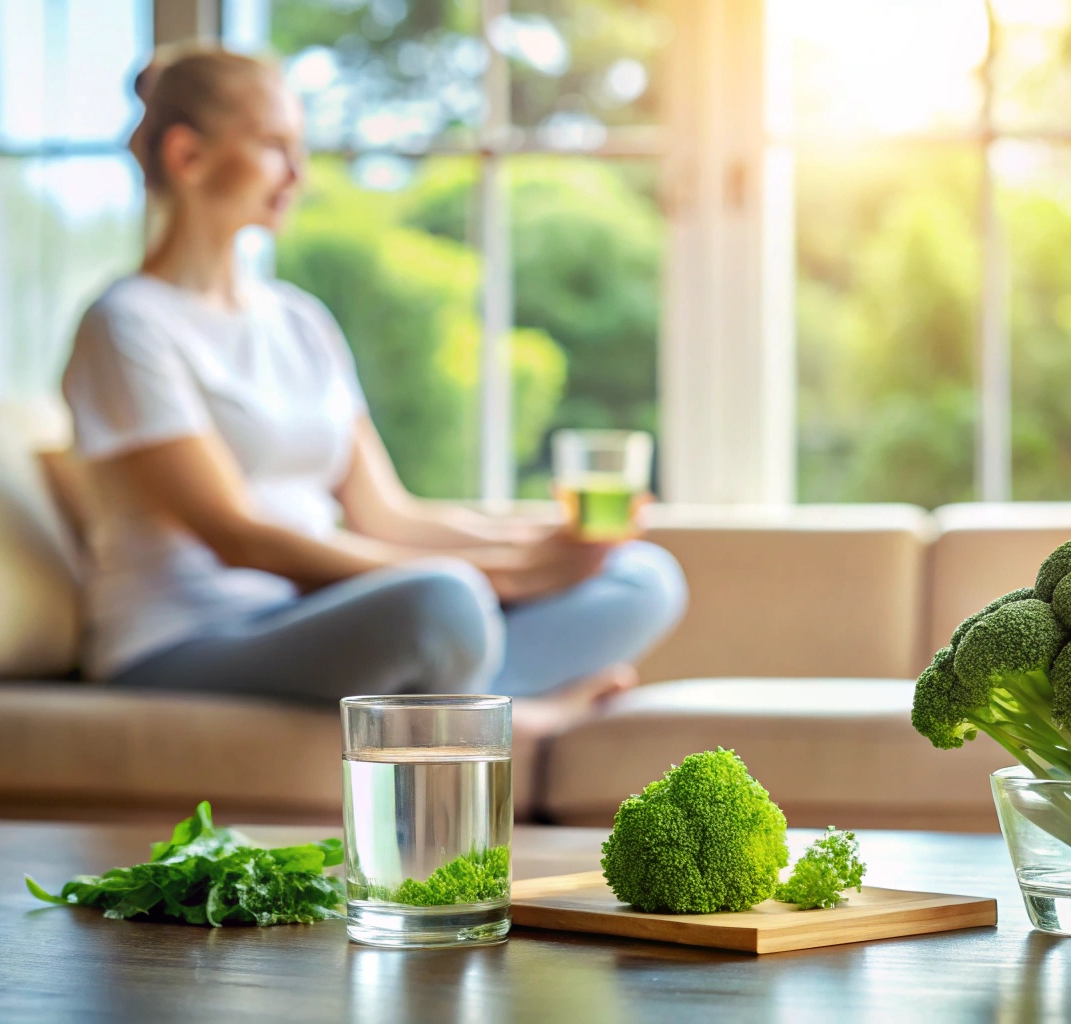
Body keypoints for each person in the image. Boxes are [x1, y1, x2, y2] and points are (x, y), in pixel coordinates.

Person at [60, 45, 686, 730]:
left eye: (300, 147)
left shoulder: (300, 319)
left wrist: (535, 547)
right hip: (190, 639)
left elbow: (387, 516)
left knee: (642, 576)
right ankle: (519, 717)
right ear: (187, 157)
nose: (298, 173)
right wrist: (499, 578)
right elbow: (241, 539)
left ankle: (472, 705)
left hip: (313, 615)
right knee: (441, 602)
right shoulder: (126, 324)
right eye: (273, 146)